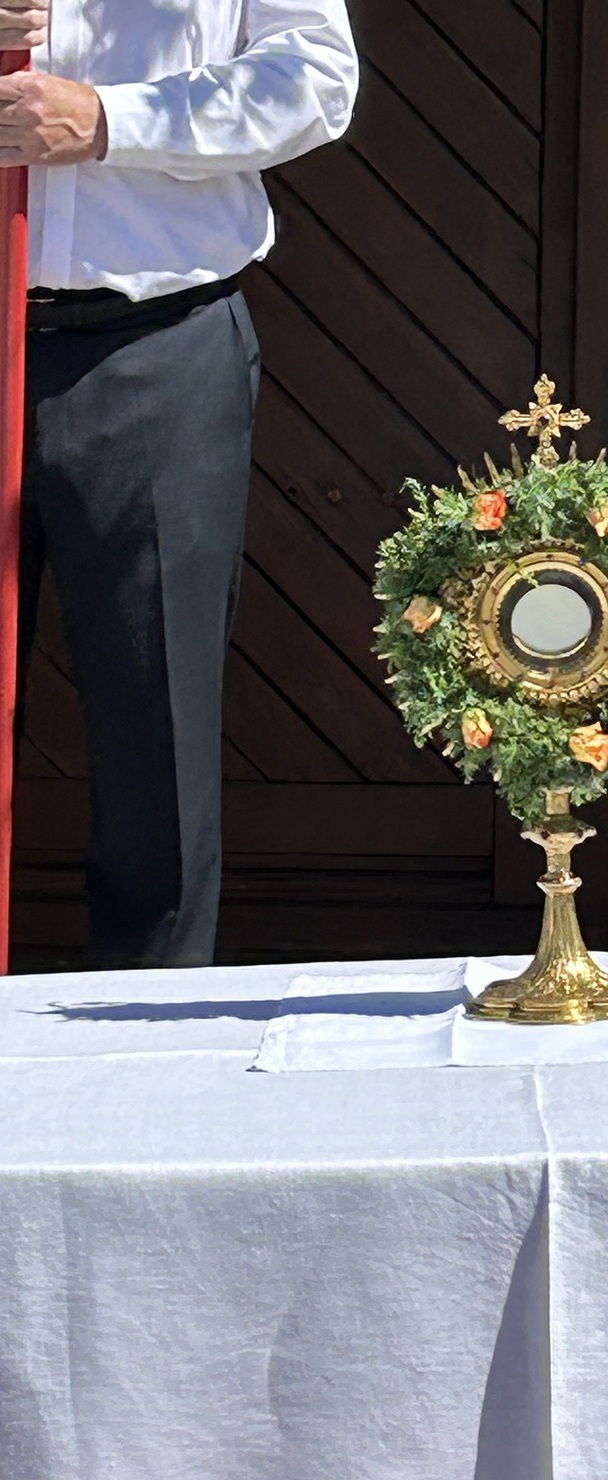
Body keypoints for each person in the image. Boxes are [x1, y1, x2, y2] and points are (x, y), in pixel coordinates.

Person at [0, 0, 358, 967]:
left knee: (155, 735)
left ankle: (147, 1027)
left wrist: (109, 120)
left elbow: (315, 78)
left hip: (156, 343)